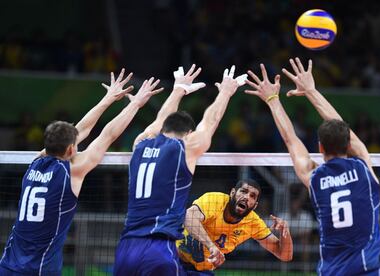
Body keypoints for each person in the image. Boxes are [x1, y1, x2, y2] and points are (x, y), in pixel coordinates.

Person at [0, 69, 162, 276]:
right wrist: (135, 104)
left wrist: (108, 99)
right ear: (70, 149)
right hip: (39, 269)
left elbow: (80, 130)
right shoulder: (72, 171)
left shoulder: (35, 162)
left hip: (7, 264)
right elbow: (107, 135)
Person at [245, 59, 380, 275]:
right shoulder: (364, 169)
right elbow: (341, 126)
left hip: (332, 271)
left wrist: (273, 99)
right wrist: (311, 91)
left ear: (319, 147)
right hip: (368, 271)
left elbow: (290, 139)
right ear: (348, 144)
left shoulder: (315, 179)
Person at [113, 65, 247, 276]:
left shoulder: (140, 144)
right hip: (158, 248)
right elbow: (210, 122)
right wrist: (226, 92)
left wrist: (178, 90)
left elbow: (158, 122)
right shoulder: (184, 149)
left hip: (126, 247)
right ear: (189, 133)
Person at [177, 179, 293, 275]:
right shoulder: (215, 200)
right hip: (175, 258)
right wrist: (211, 246)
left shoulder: (253, 223)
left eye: (252, 196)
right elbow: (189, 217)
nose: (247, 197)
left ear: (254, 206)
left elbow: (285, 255)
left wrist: (285, 232)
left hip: (201, 271)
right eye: (243, 191)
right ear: (232, 193)